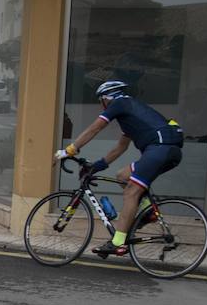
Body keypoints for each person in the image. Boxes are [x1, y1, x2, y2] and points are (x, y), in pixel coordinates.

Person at [55, 81, 184, 257]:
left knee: (131, 192)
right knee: (122, 176)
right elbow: (120, 148)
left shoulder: (120, 103)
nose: (102, 106)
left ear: (107, 98)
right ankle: (148, 211)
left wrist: (69, 150)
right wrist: (96, 166)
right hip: (167, 150)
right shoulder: (131, 112)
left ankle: (118, 243)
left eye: (101, 101)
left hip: (159, 149)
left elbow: (96, 128)